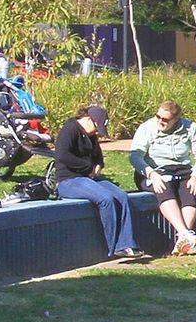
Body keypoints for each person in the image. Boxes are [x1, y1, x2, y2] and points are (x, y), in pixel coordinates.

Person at [53, 105, 137, 259]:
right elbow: (62, 155)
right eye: (96, 128)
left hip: (90, 178)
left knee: (122, 197)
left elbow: (98, 155)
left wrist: (98, 165)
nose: (96, 132)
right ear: (87, 119)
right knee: (105, 199)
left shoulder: (91, 135)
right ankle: (113, 247)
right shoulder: (70, 129)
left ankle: (126, 244)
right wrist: (88, 166)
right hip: (69, 180)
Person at [128, 99, 196, 255]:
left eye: (165, 119)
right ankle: (186, 234)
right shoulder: (146, 128)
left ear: (176, 119)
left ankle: (183, 239)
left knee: (190, 192)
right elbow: (135, 156)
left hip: (182, 170)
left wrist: (195, 176)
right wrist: (151, 173)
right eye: (158, 116)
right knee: (164, 189)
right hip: (154, 170)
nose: (160, 121)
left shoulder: (189, 127)